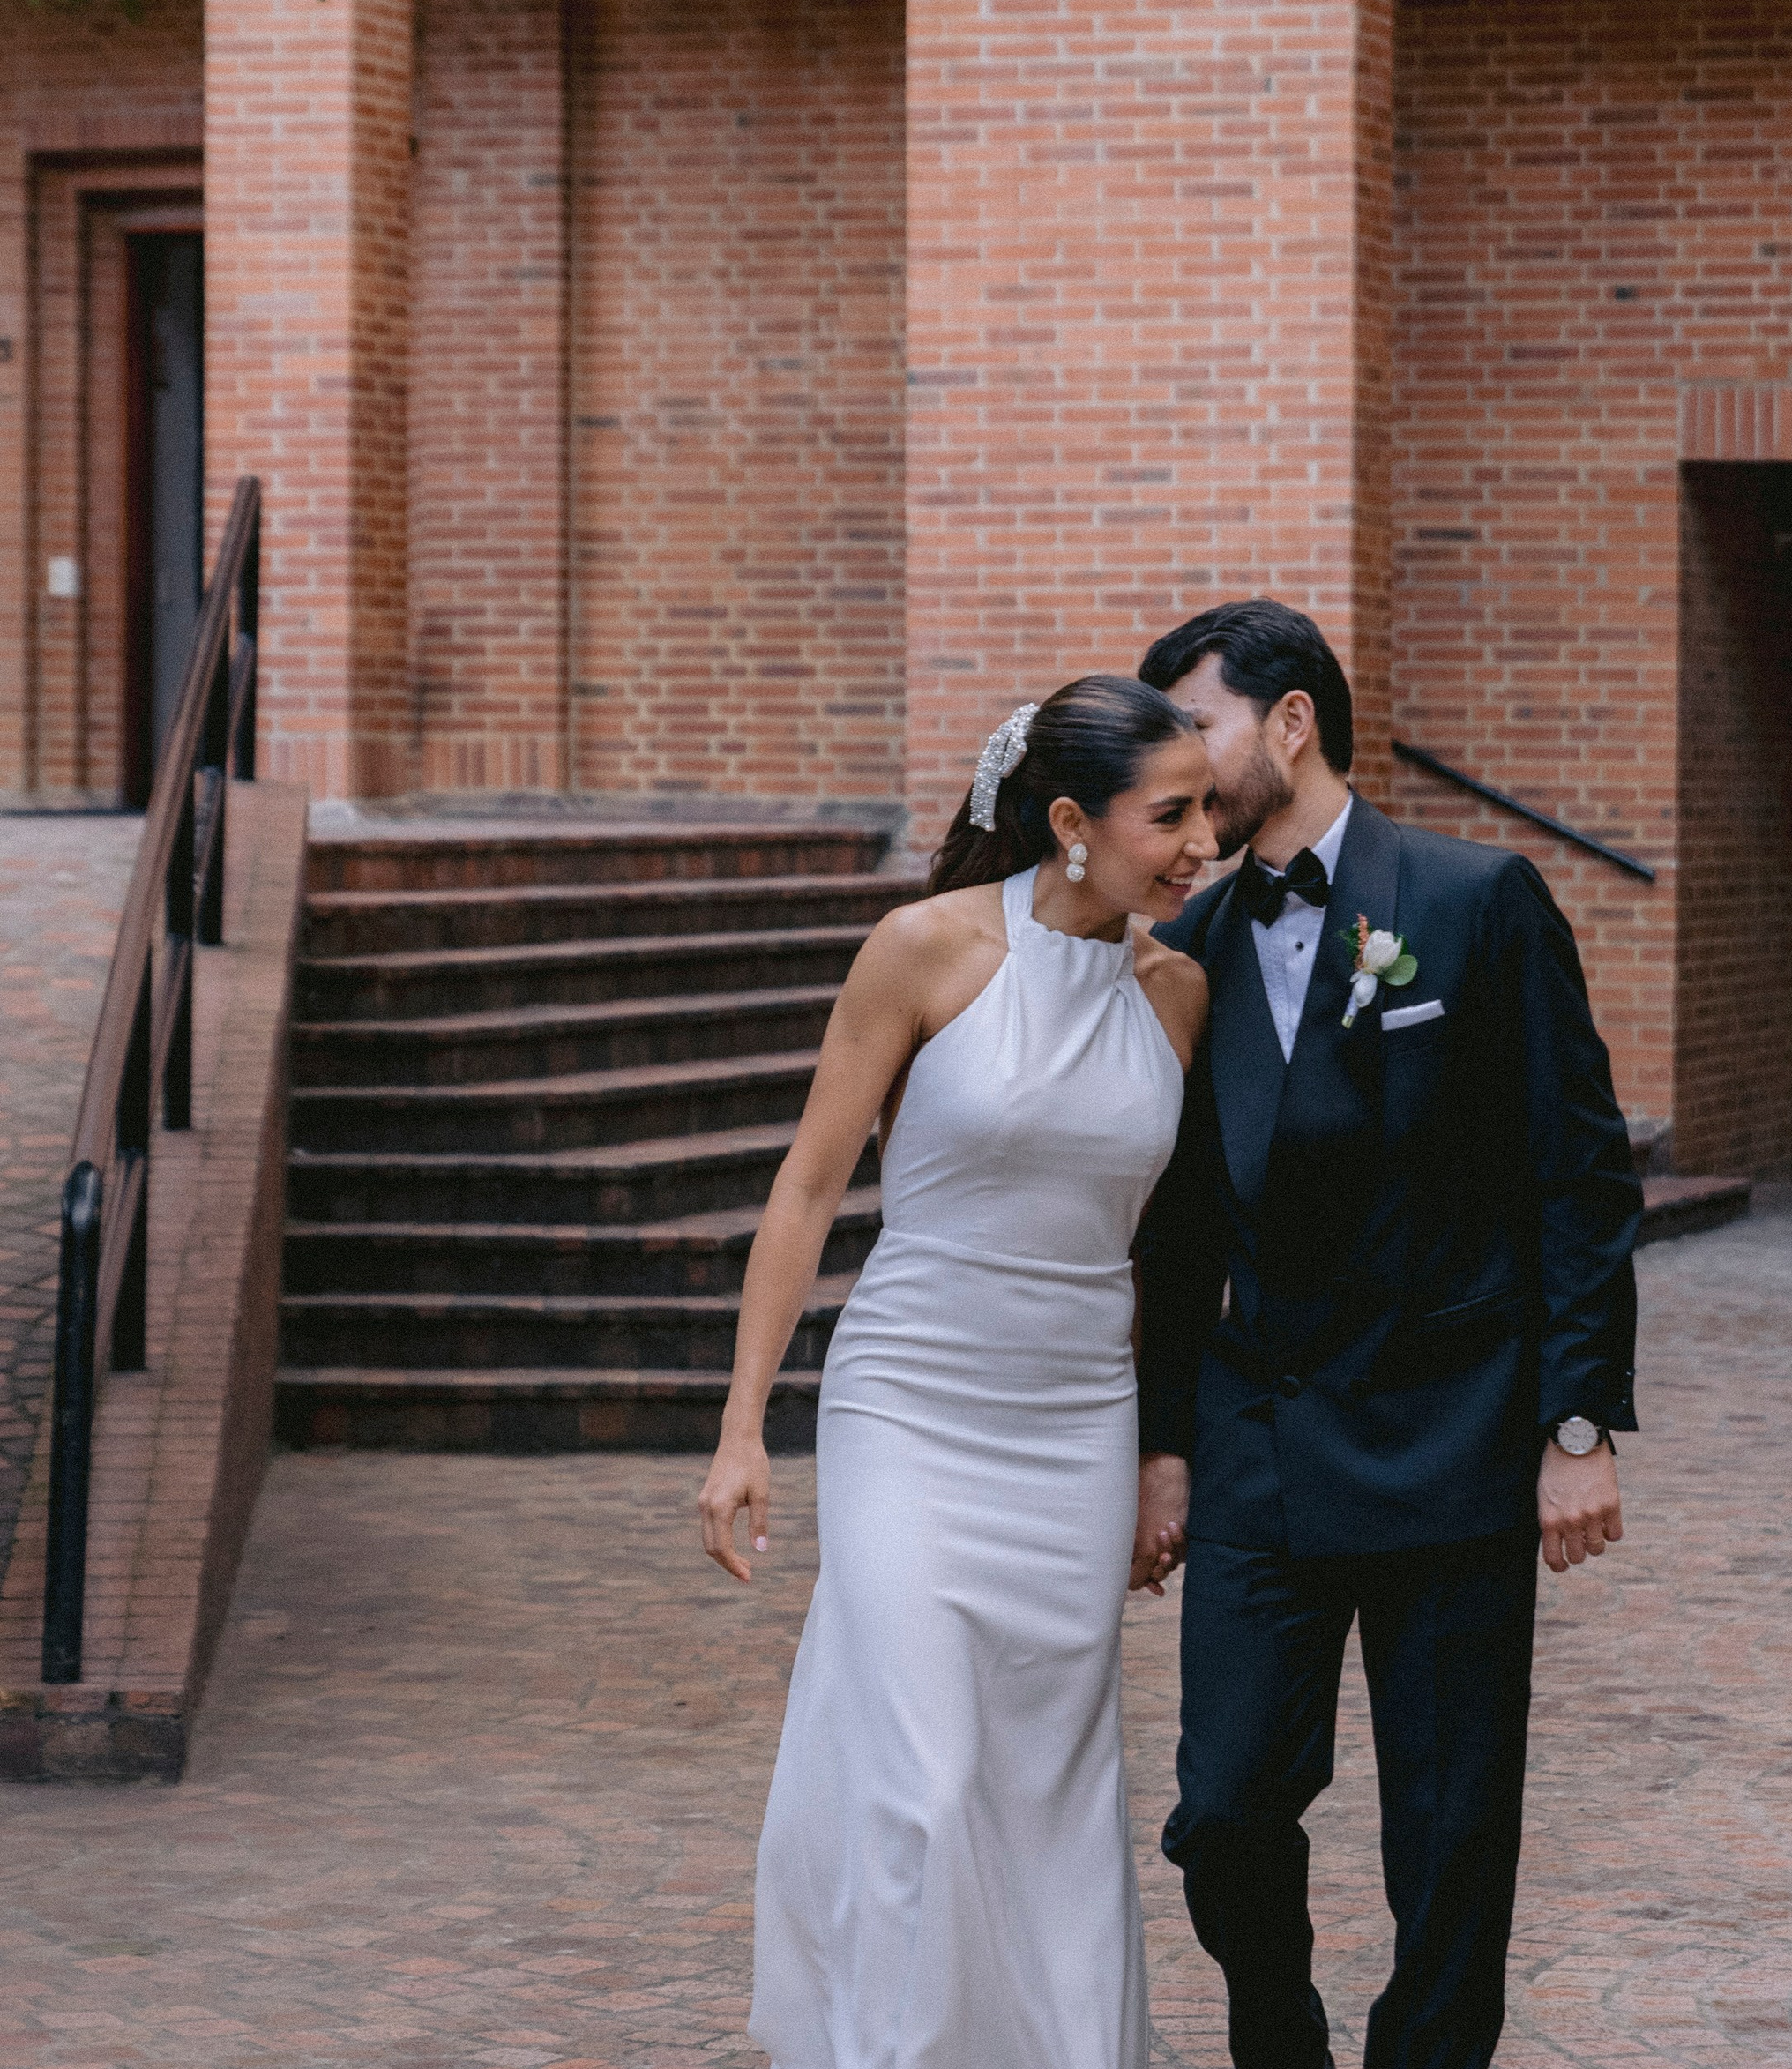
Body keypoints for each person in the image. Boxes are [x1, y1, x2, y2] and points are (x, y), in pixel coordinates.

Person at [1132, 599, 1644, 2069]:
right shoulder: (1188, 945)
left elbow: (1580, 1180)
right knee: (1222, 1804)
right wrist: (1164, 1446)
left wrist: (1576, 1424)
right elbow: (1177, 1236)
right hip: (1260, 1446)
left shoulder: (1479, 902)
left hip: (1457, 1436)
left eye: (1200, 729)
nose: (1184, 771)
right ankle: (1278, 2040)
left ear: (1291, 723)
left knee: (1451, 1833)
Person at [698, 675, 1217, 2069]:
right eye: (1169, 815)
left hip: (1075, 1428)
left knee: (1049, 1786)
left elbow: (1174, 1255)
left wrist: (1164, 1448)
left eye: (1207, 811)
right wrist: (744, 1428)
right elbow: (806, 1191)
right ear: (1070, 822)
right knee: (921, 1779)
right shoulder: (920, 951)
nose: (1199, 844)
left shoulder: (1179, 992)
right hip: (910, 1405)